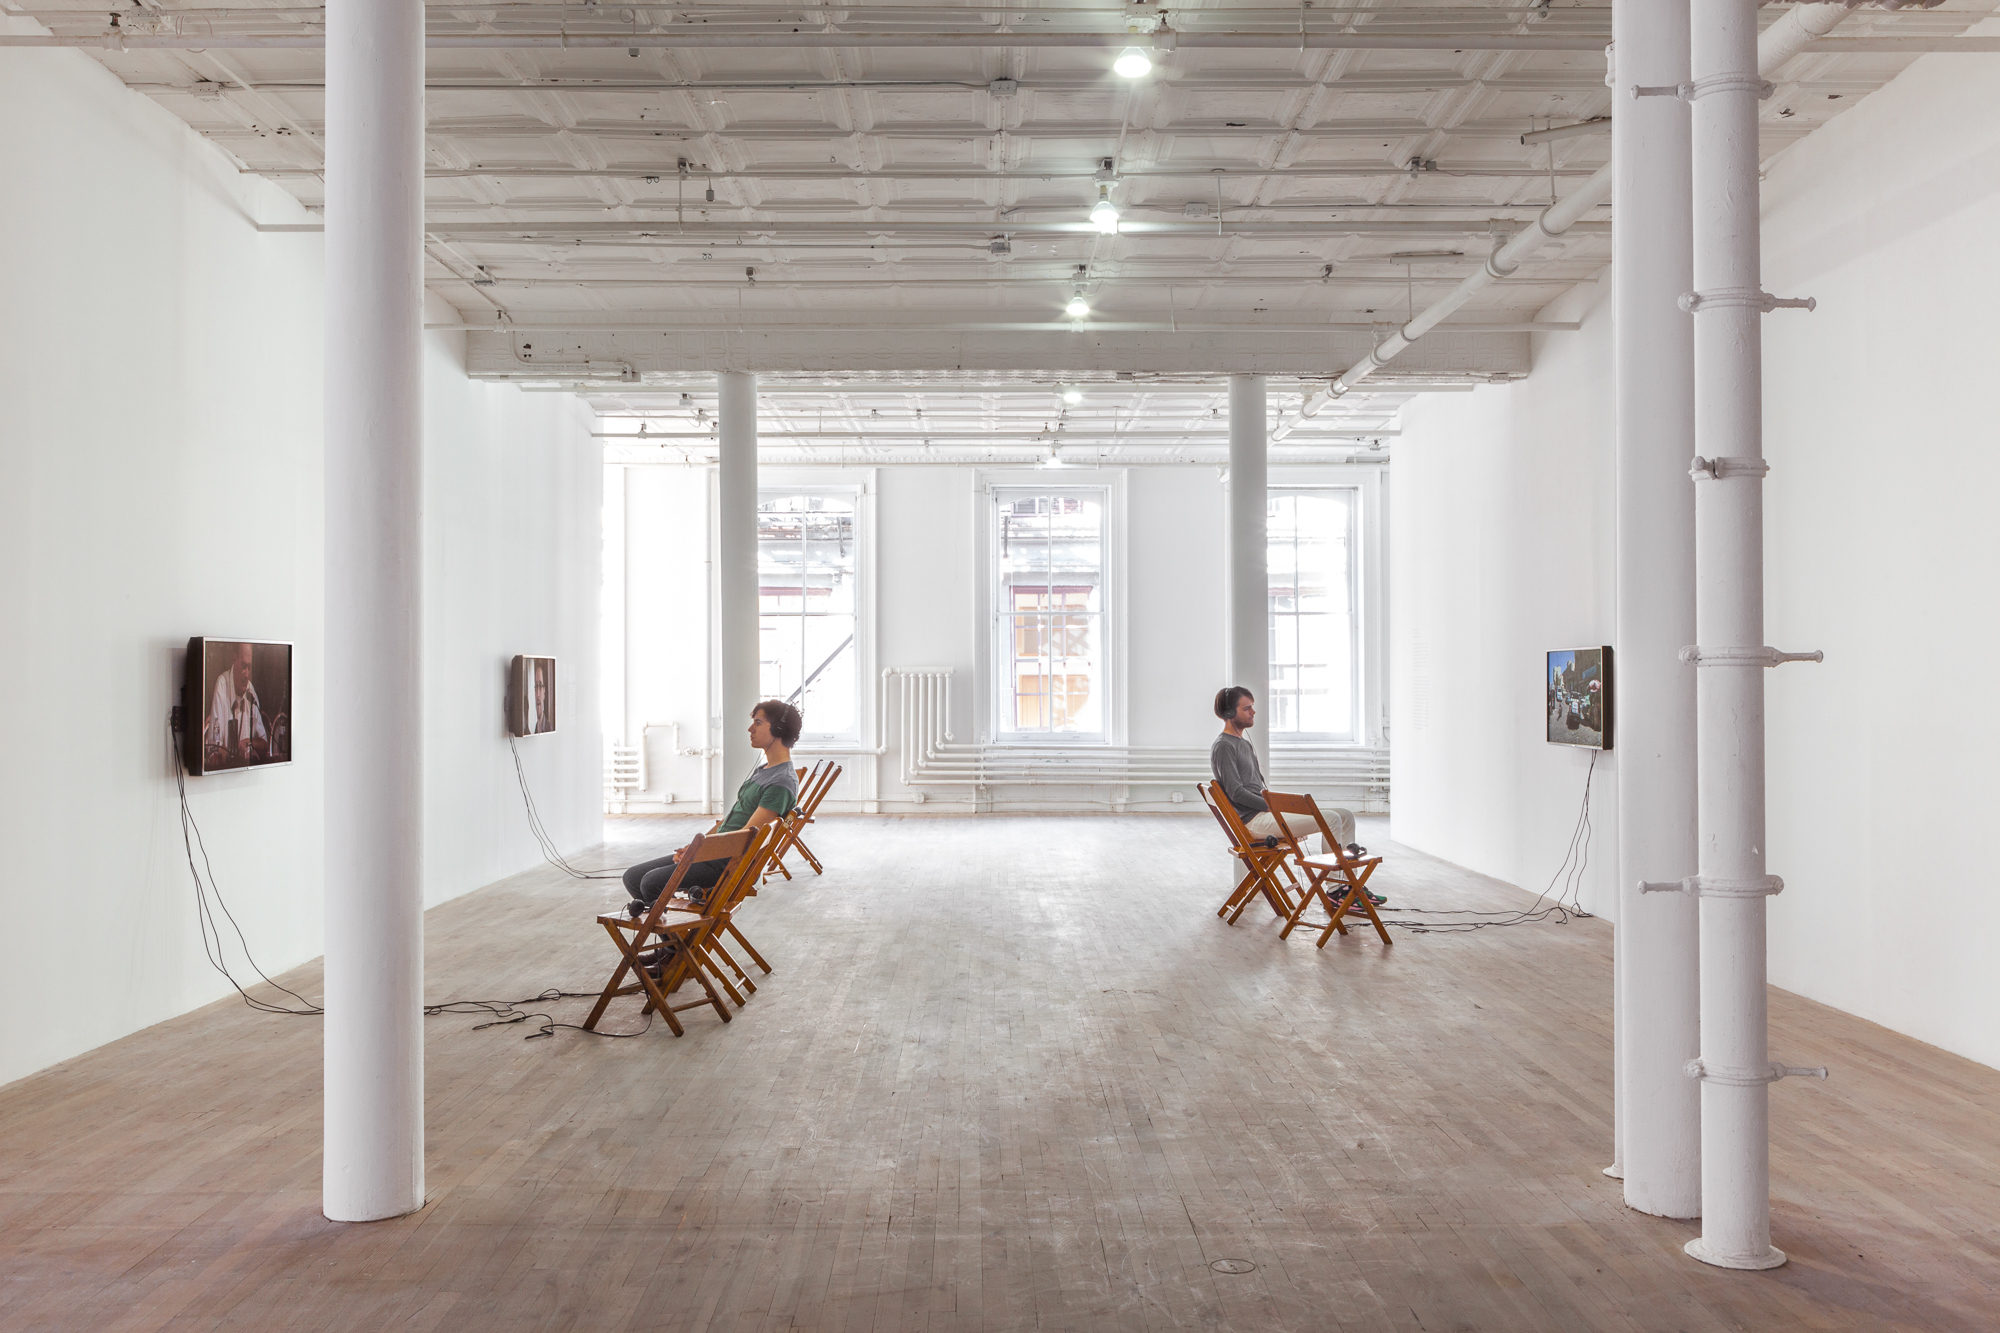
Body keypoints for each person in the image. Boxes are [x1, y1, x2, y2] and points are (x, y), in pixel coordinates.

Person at [622, 699, 803, 917]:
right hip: (718, 853)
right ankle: (674, 949)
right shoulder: (766, 770)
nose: (750, 728)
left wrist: (700, 851)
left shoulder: (780, 782)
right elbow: (729, 823)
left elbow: (745, 838)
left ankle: (675, 949)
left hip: (728, 863)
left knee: (651, 882)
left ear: (779, 729)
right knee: (633, 876)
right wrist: (694, 848)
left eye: (758, 722)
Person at [1208, 685, 1361, 858]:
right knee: (1331, 819)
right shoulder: (1224, 746)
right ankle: (1336, 884)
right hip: (1254, 820)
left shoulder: (1242, 743)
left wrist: (1278, 805)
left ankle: (1348, 883)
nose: (1253, 712)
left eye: (1252, 706)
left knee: (1345, 815)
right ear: (1229, 713)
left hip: (1265, 813)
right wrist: (1271, 806)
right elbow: (1236, 793)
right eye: (1246, 708)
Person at [204, 642, 269, 769]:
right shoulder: (222, 685)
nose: (247, 674)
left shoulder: (250, 689)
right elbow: (214, 748)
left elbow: (264, 744)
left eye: (249, 667)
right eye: (244, 666)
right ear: (234, 660)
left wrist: (248, 742)